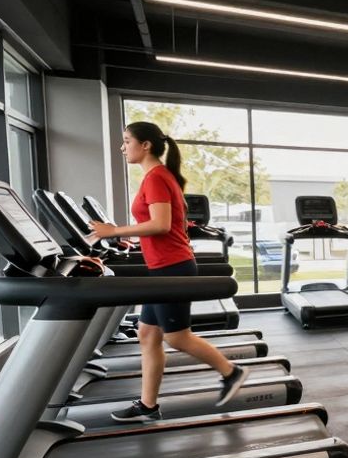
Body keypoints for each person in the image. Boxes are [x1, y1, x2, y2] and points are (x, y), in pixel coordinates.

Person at [88, 121, 248, 422]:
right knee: (147, 333)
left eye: (126, 141)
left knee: (176, 337)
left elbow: (161, 225)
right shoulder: (158, 176)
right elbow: (162, 227)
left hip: (173, 267)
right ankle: (148, 405)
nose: (123, 148)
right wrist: (131, 237)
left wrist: (114, 230)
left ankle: (232, 372)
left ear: (145, 144)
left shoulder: (156, 177)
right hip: (165, 265)